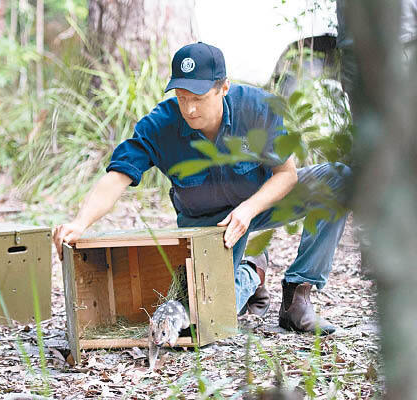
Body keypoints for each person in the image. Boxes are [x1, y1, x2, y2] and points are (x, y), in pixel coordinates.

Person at [53, 42, 350, 335]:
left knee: (339, 179)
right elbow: (117, 177)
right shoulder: (160, 125)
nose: (190, 109)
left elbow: (286, 175)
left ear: (223, 88)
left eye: (199, 97)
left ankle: (297, 295)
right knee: (204, 316)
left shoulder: (256, 109)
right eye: (182, 98)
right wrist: (80, 223)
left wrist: (248, 210)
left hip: (261, 201)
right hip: (208, 225)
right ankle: (251, 271)